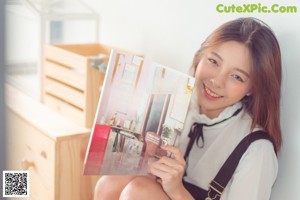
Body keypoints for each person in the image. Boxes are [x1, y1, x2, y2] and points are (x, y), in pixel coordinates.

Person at [93, 17, 282, 200]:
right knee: (110, 183)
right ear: (200, 57)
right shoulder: (176, 105)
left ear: (253, 88)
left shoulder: (257, 150)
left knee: (139, 192)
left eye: (237, 77)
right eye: (214, 61)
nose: (216, 81)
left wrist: (177, 190)